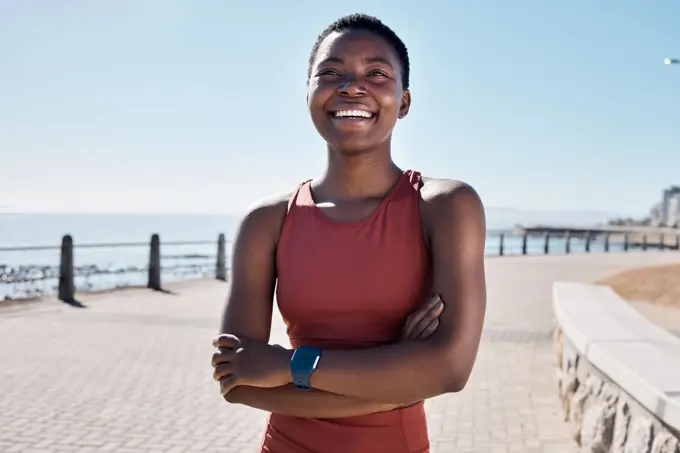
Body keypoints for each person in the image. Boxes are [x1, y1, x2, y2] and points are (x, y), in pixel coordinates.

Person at [211, 13, 487, 453]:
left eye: (376, 73)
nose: (352, 86)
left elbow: (450, 369)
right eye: (331, 72)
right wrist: (399, 381)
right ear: (308, 94)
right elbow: (236, 381)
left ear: (405, 101)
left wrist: (287, 365)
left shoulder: (445, 206)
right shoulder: (267, 220)